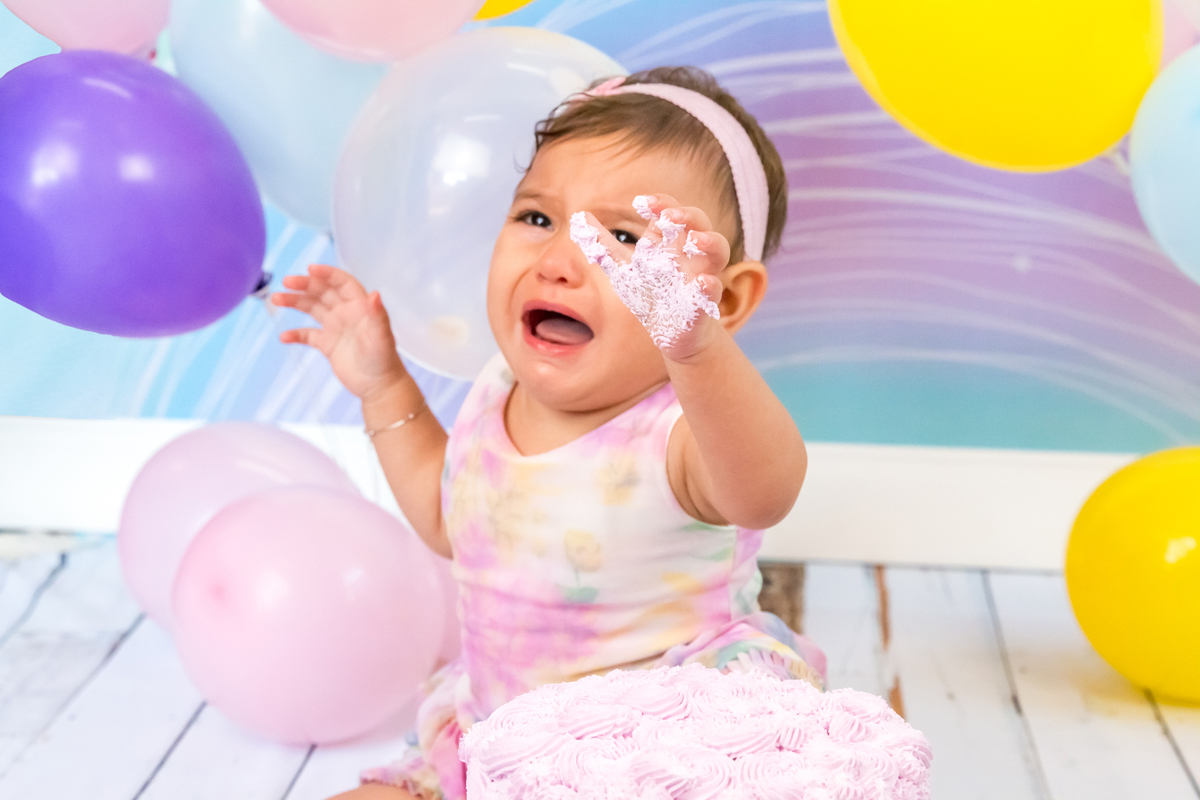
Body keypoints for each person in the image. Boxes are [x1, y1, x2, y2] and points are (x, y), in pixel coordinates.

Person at [272, 66, 826, 800]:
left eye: (622, 238)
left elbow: (765, 491)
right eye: (536, 218)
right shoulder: (496, 386)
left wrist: (697, 349)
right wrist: (384, 387)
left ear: (722, 299)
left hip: (654, 752)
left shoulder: (679, 432)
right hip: (497, 732)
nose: (559, 261)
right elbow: (449, 521)